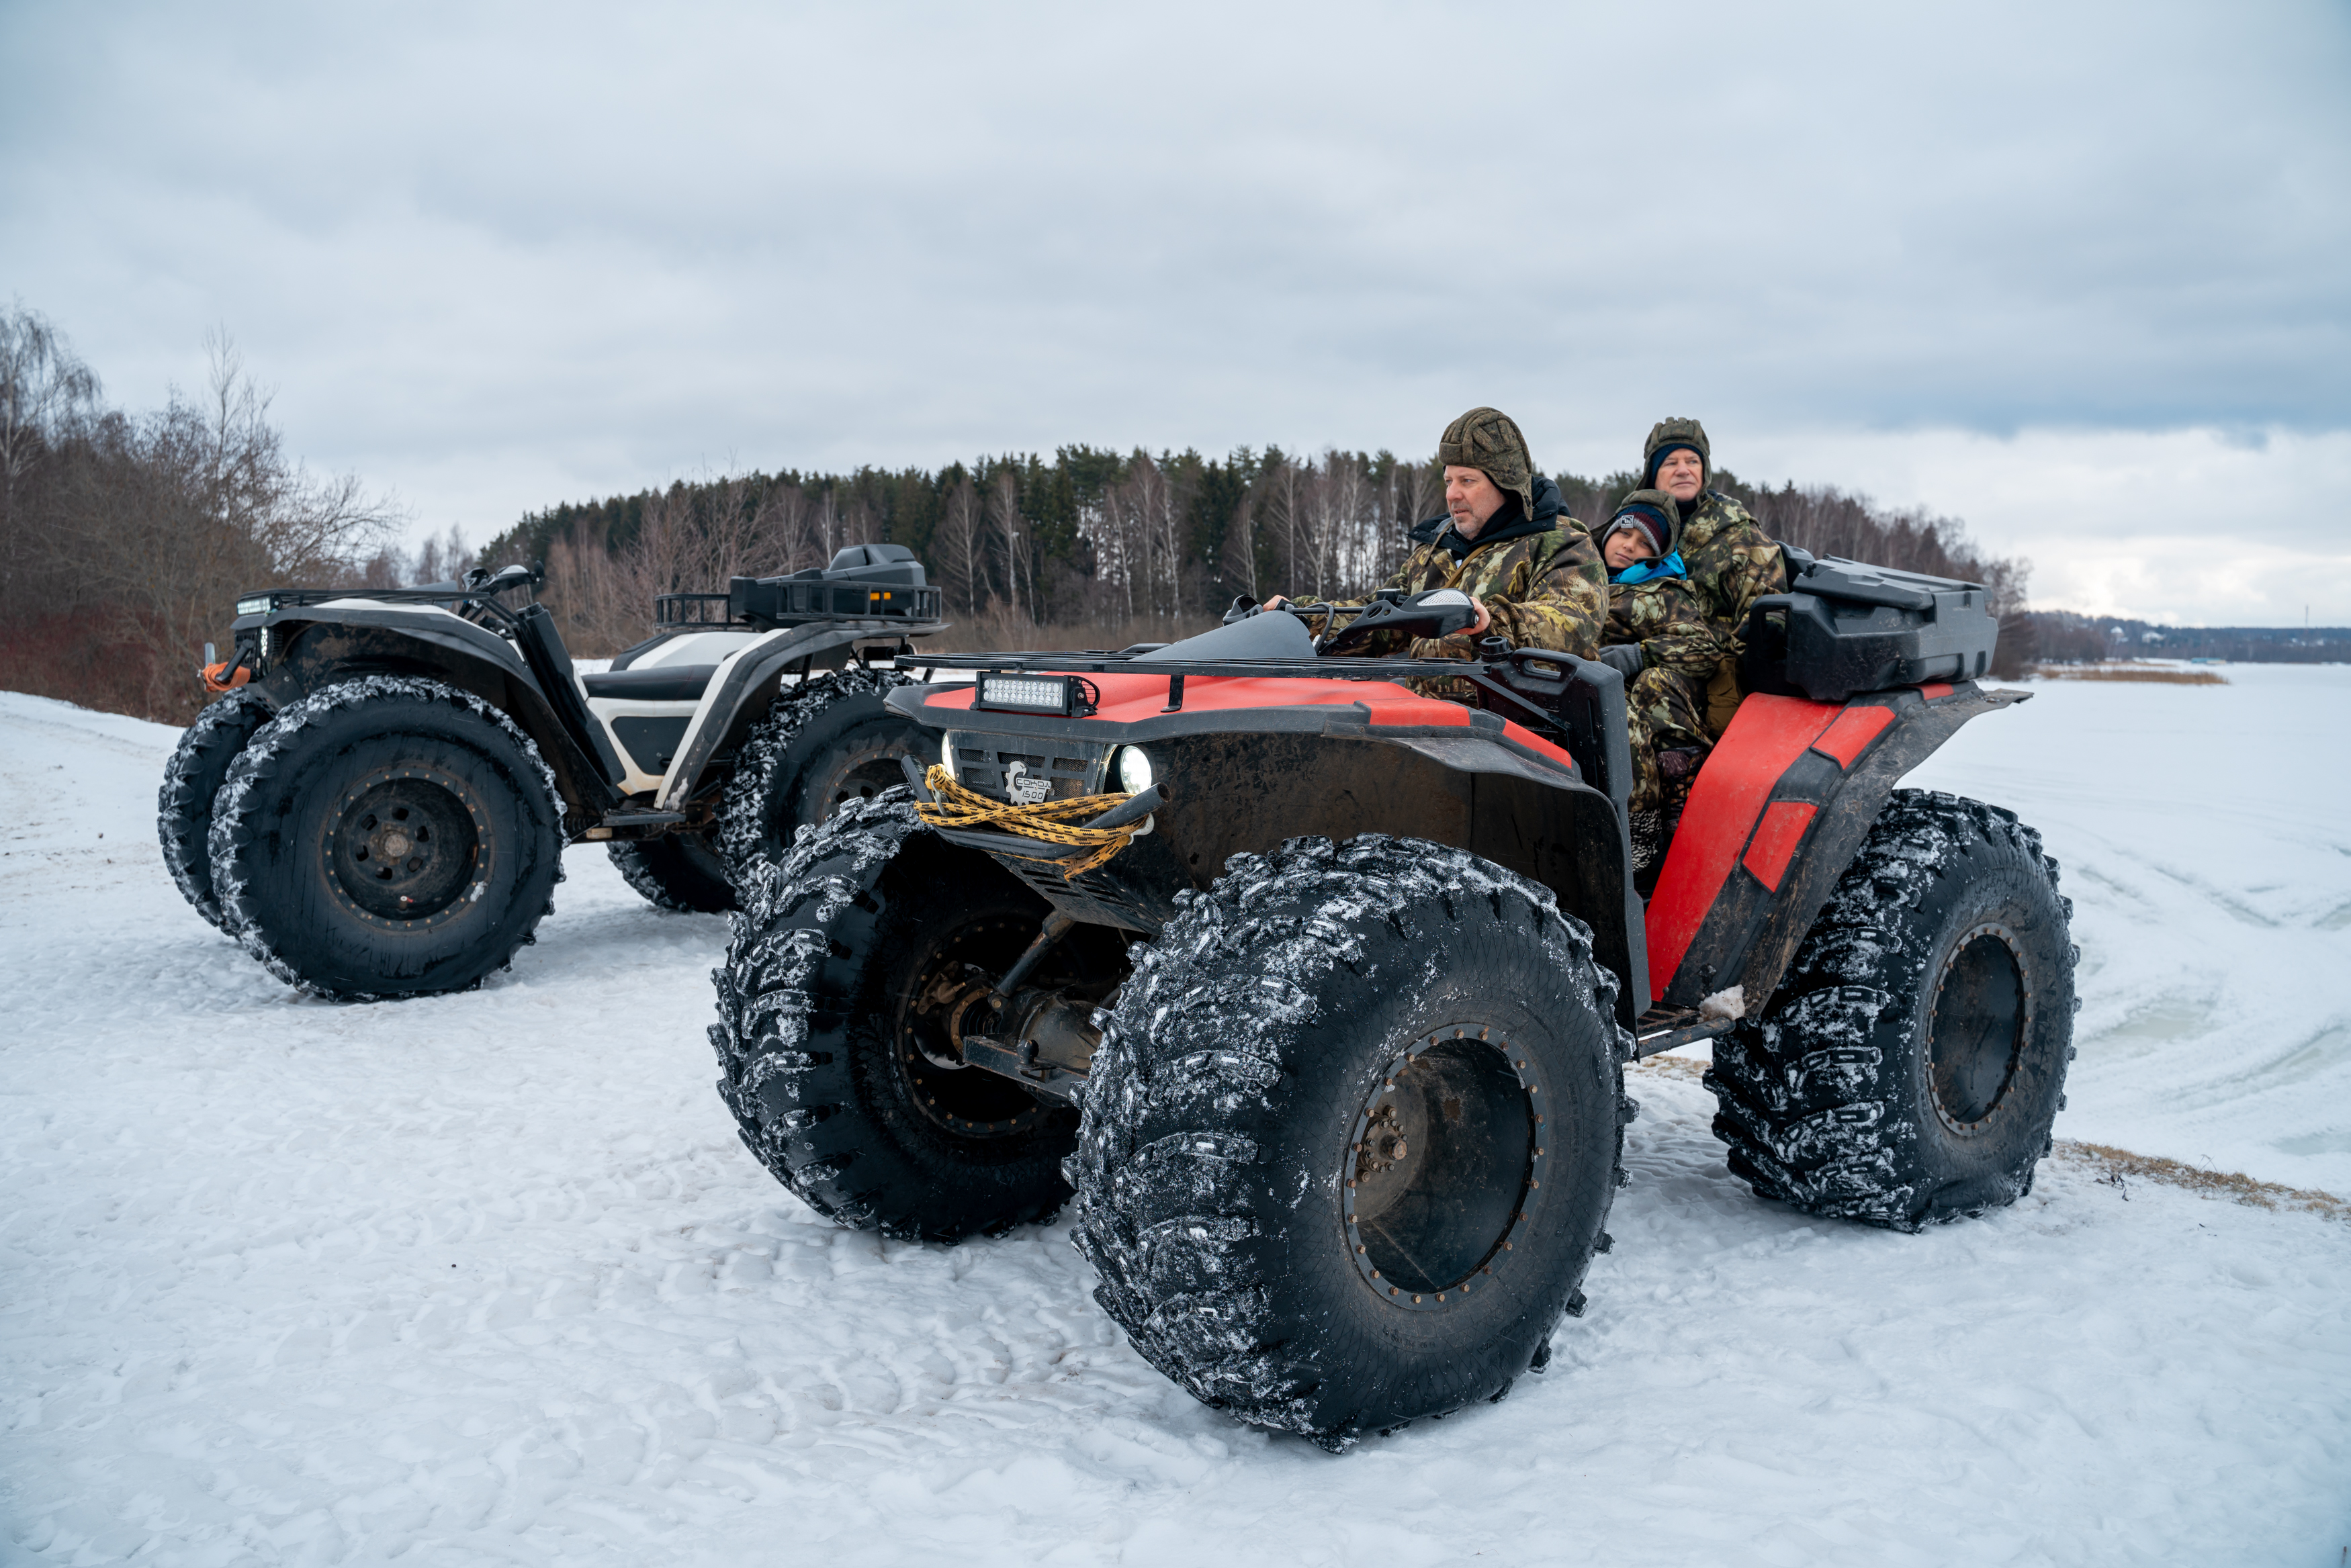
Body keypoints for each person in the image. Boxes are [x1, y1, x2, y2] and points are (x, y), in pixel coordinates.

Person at [1263, 407, 1605, 675]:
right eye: (1448, 481)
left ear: (1507, 485)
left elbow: (1573, 623)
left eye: (1467, 481)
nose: (1452, 494)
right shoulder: (1436, 550)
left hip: (1525, 735)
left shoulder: (1562, 544)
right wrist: (1303, 619)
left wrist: (1485, 621)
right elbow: (1382, 619)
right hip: (1430, 734)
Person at [1593, 489, 1725, 882]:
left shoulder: (1666, 592)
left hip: (1642, 696)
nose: (1629, 547)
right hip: (1583, 685)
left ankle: (1659, 821)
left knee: (1647, 691)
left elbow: (1705, 648)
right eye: (1624, 535)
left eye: (1644, 543)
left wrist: (1636, 655)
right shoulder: (1577, 576)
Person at [1639, 418, 1786, 736]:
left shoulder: (1739, 535)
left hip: (1709, 674)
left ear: (1704, 470)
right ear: (1652, 475)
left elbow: (1767, 615)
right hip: (1632, 655)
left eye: (1693, 461)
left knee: (1654, 686)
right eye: (1670, 462)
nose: (1683, 469)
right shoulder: (1633, 532)